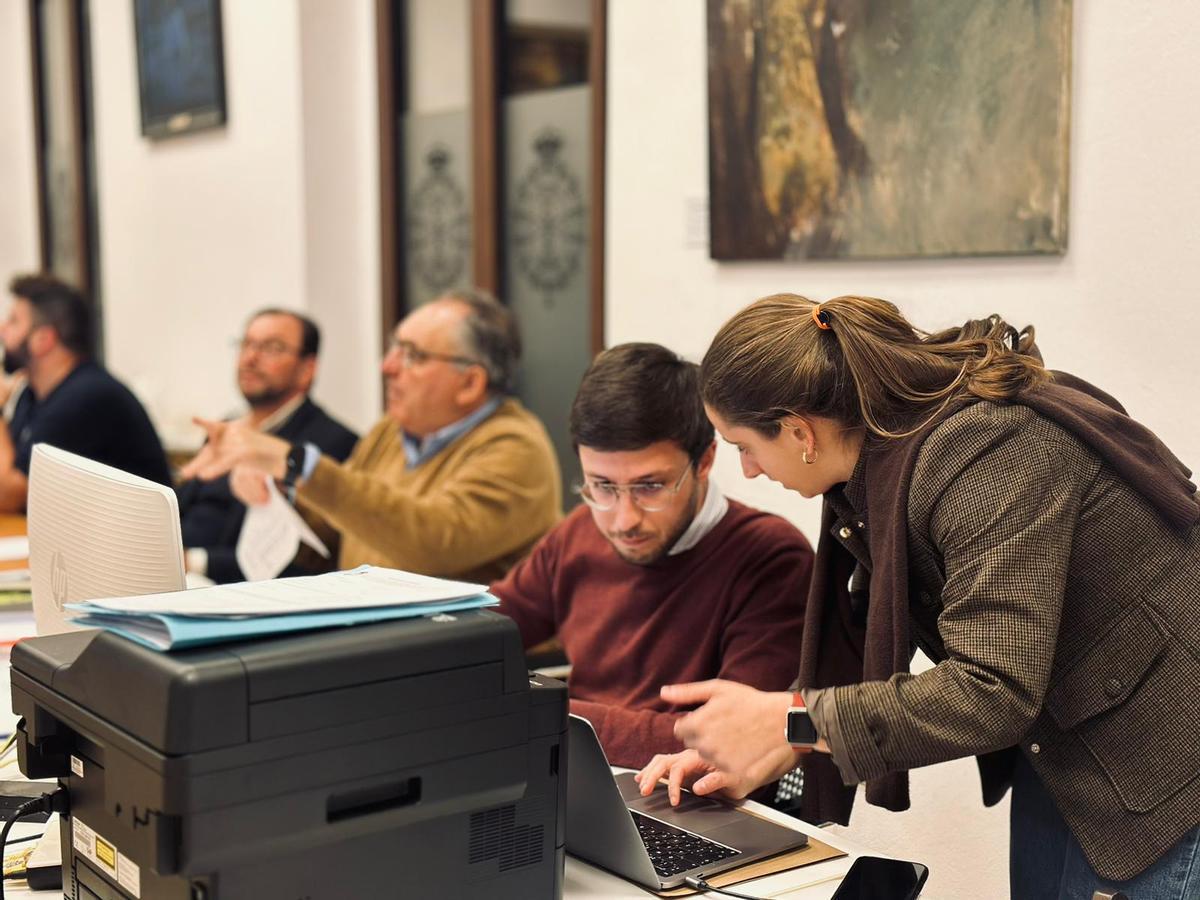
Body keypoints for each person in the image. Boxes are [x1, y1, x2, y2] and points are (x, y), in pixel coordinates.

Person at [636, 294, 1200, 898]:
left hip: (1167, 757)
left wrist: (788, 725)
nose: (746, 470)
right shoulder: (879, 465)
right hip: (1068, 743)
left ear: (800, 432)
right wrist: (770, 747)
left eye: (744, 445)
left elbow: (992, 690)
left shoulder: (987, 454)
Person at [491, 343, 812, 768]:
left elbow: (727, 742)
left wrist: (538, 712)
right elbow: (482, 634)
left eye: (650, 487)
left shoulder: (772, 560)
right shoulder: (580, 532)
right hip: (572, 772)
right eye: (602, 486)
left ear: (705, 461)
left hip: (682, 798)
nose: (624, 519)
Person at [181, 289, 561, 583]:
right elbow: (330, 540)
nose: (387, 366)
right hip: (373, 641)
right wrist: (279, 494)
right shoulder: (391, 432)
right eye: (393, 349)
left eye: (412, 355)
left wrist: (297, 464)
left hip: (463, 658)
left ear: (470, 383)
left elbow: (431, 543)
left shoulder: (515, 447)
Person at [177, 309, 358, 583]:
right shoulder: (226, 426)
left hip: (236, 593)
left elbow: (304, 559)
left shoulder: (330, 443)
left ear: (307, 369)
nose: (250, 358)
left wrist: (193, 561)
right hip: (174, 578)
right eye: (247, 344)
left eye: (272, 348)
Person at [0, 273, 170, 511]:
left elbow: (7, 496)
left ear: (43, 339)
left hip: (131, 543)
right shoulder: (32, 394)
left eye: (13, 321)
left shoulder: (86, 397)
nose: (2, 329)